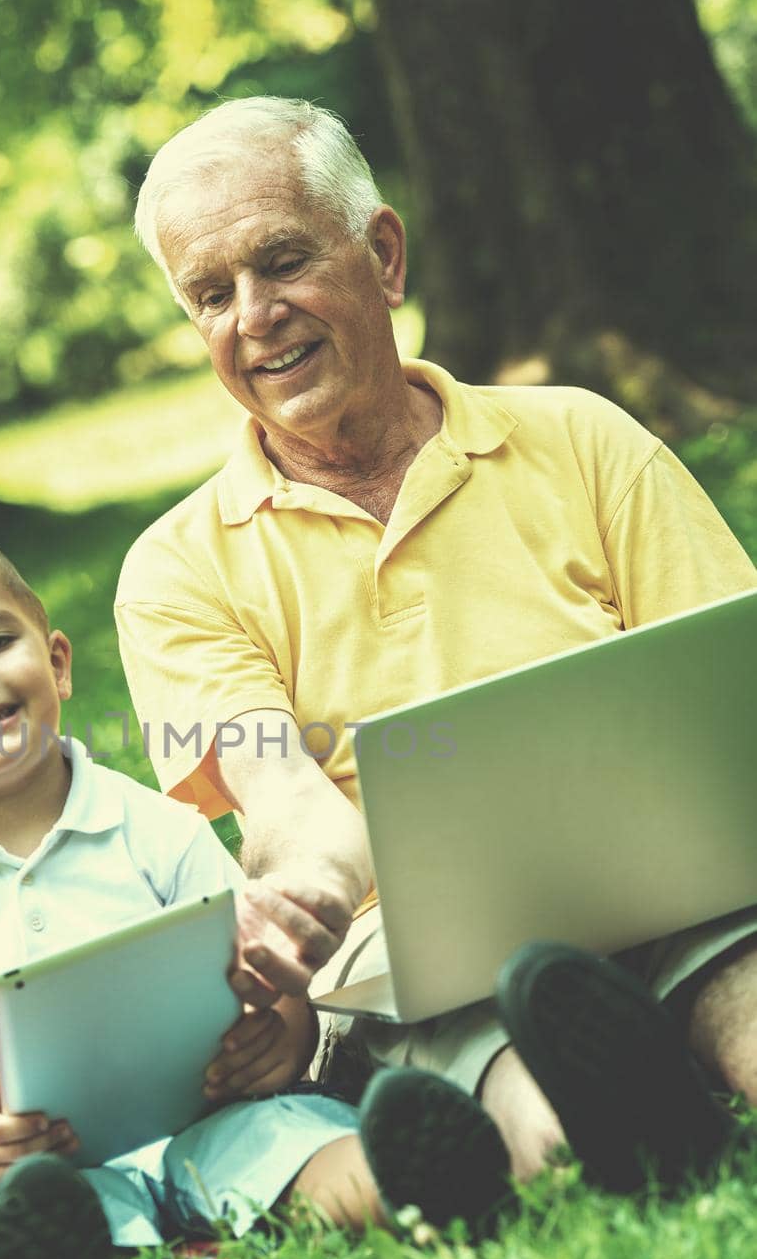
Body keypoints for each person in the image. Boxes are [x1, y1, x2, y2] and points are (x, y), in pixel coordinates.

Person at [115, 96, 757, 1195]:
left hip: (677, 886)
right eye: (211, 295)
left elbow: (727, 692)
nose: (255, 316)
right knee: (548, 1134)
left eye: (281, 261)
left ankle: (671, 1059)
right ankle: (628, 1113)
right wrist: (311, 884)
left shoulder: (583, 439)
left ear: (383, 253)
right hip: (417, 954)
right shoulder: (176, 569)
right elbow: (276, 780)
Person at [0, 530, 513, 1259]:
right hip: (30, 1168)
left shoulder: (159, 829)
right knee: (11, 1226)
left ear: (56, 662)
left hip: (208, 1116)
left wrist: (278, 1045)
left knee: (297, 1140)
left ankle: (413, 1178)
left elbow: (267, 989)